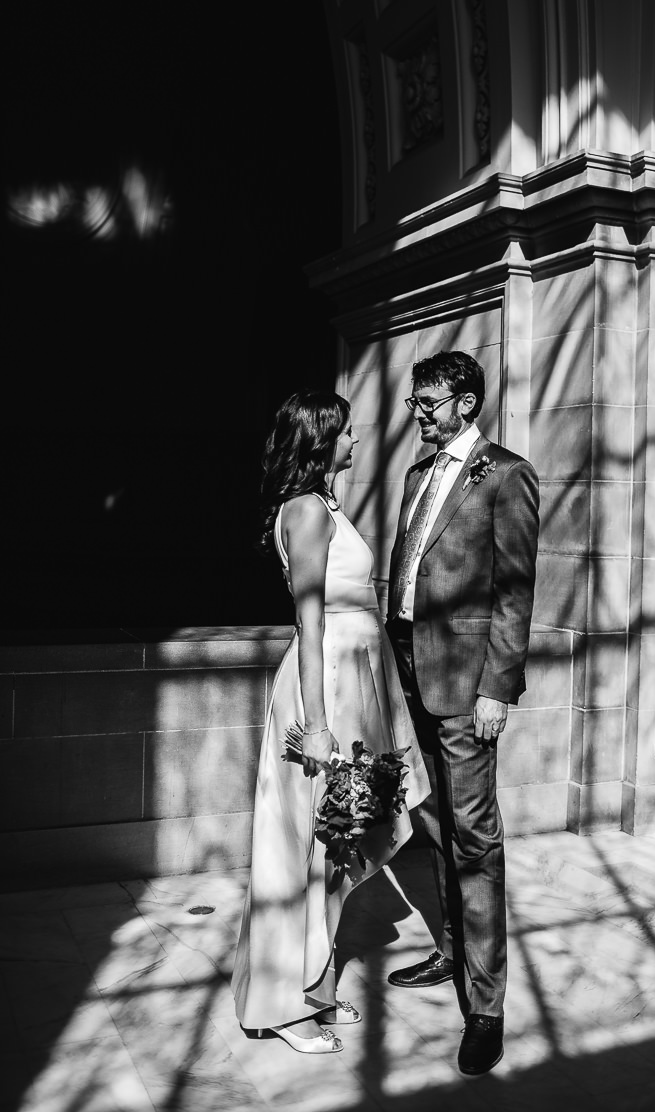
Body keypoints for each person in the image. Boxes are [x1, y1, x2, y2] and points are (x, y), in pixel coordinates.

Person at [231, 390, 429, 1055]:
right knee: (310, 844)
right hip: (327, 691)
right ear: (320, 441)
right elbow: (310, 621)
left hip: (358, 685)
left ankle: (314, 984)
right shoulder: (310, 510)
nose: (355, 441)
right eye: (346, 433)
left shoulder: (329, 504)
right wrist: (316, 724)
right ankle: (288, 1004)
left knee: (346, 839)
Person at [385, 350, 539, 1076]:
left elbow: (513, 591)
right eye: (418, 400)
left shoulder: (507, 475)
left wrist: (496, 690)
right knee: (436, 825)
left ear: (468, 403)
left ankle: (486, 1009)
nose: (419, 411)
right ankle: (450, 953)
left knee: (476, 841)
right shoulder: (418, 473)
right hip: (412, 676)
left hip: (465, 685)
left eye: (431, 401)